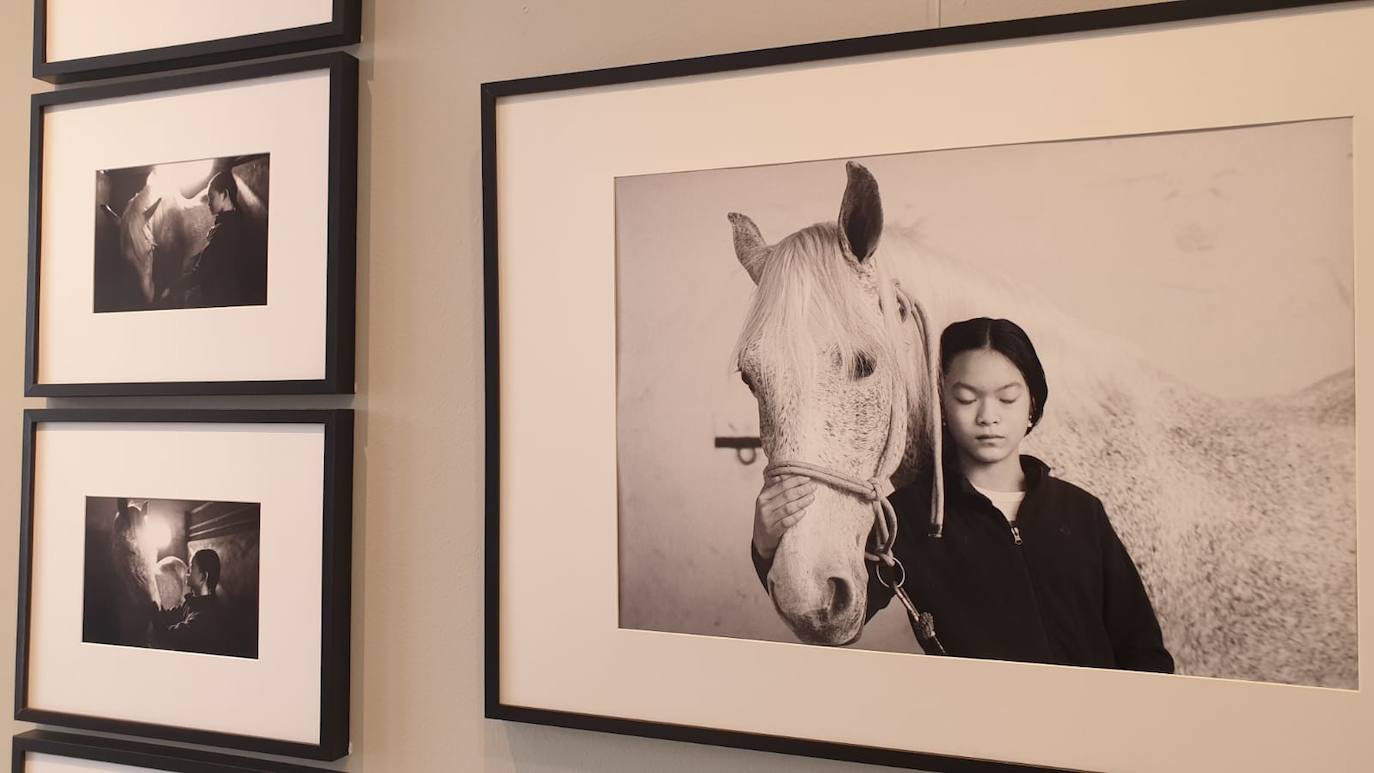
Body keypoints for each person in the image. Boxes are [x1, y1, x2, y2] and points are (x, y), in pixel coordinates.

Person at [752, 317, 1174, 672]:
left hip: (1095, 740)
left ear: (1032, 405)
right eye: (966, 398)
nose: (988, 417)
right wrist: (766, 547)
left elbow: (1142, 648)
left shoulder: (1081, 512)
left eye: (1007, 398)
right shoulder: (908, 518)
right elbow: (834, 621)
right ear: (941, 405)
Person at [167, 171, 248, 308]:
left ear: (225, 195)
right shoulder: (232, 223)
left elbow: (201, 273)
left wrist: (171, 289)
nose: (209, 203)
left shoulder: (225, 231)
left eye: (212, 197)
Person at [158, 548, 226, 654]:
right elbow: (170, 615)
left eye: (191, 567)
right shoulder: (192, 602)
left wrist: (152, 612)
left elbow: (167, 636)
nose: (186, 571)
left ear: (203, 576)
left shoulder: (205, 617)